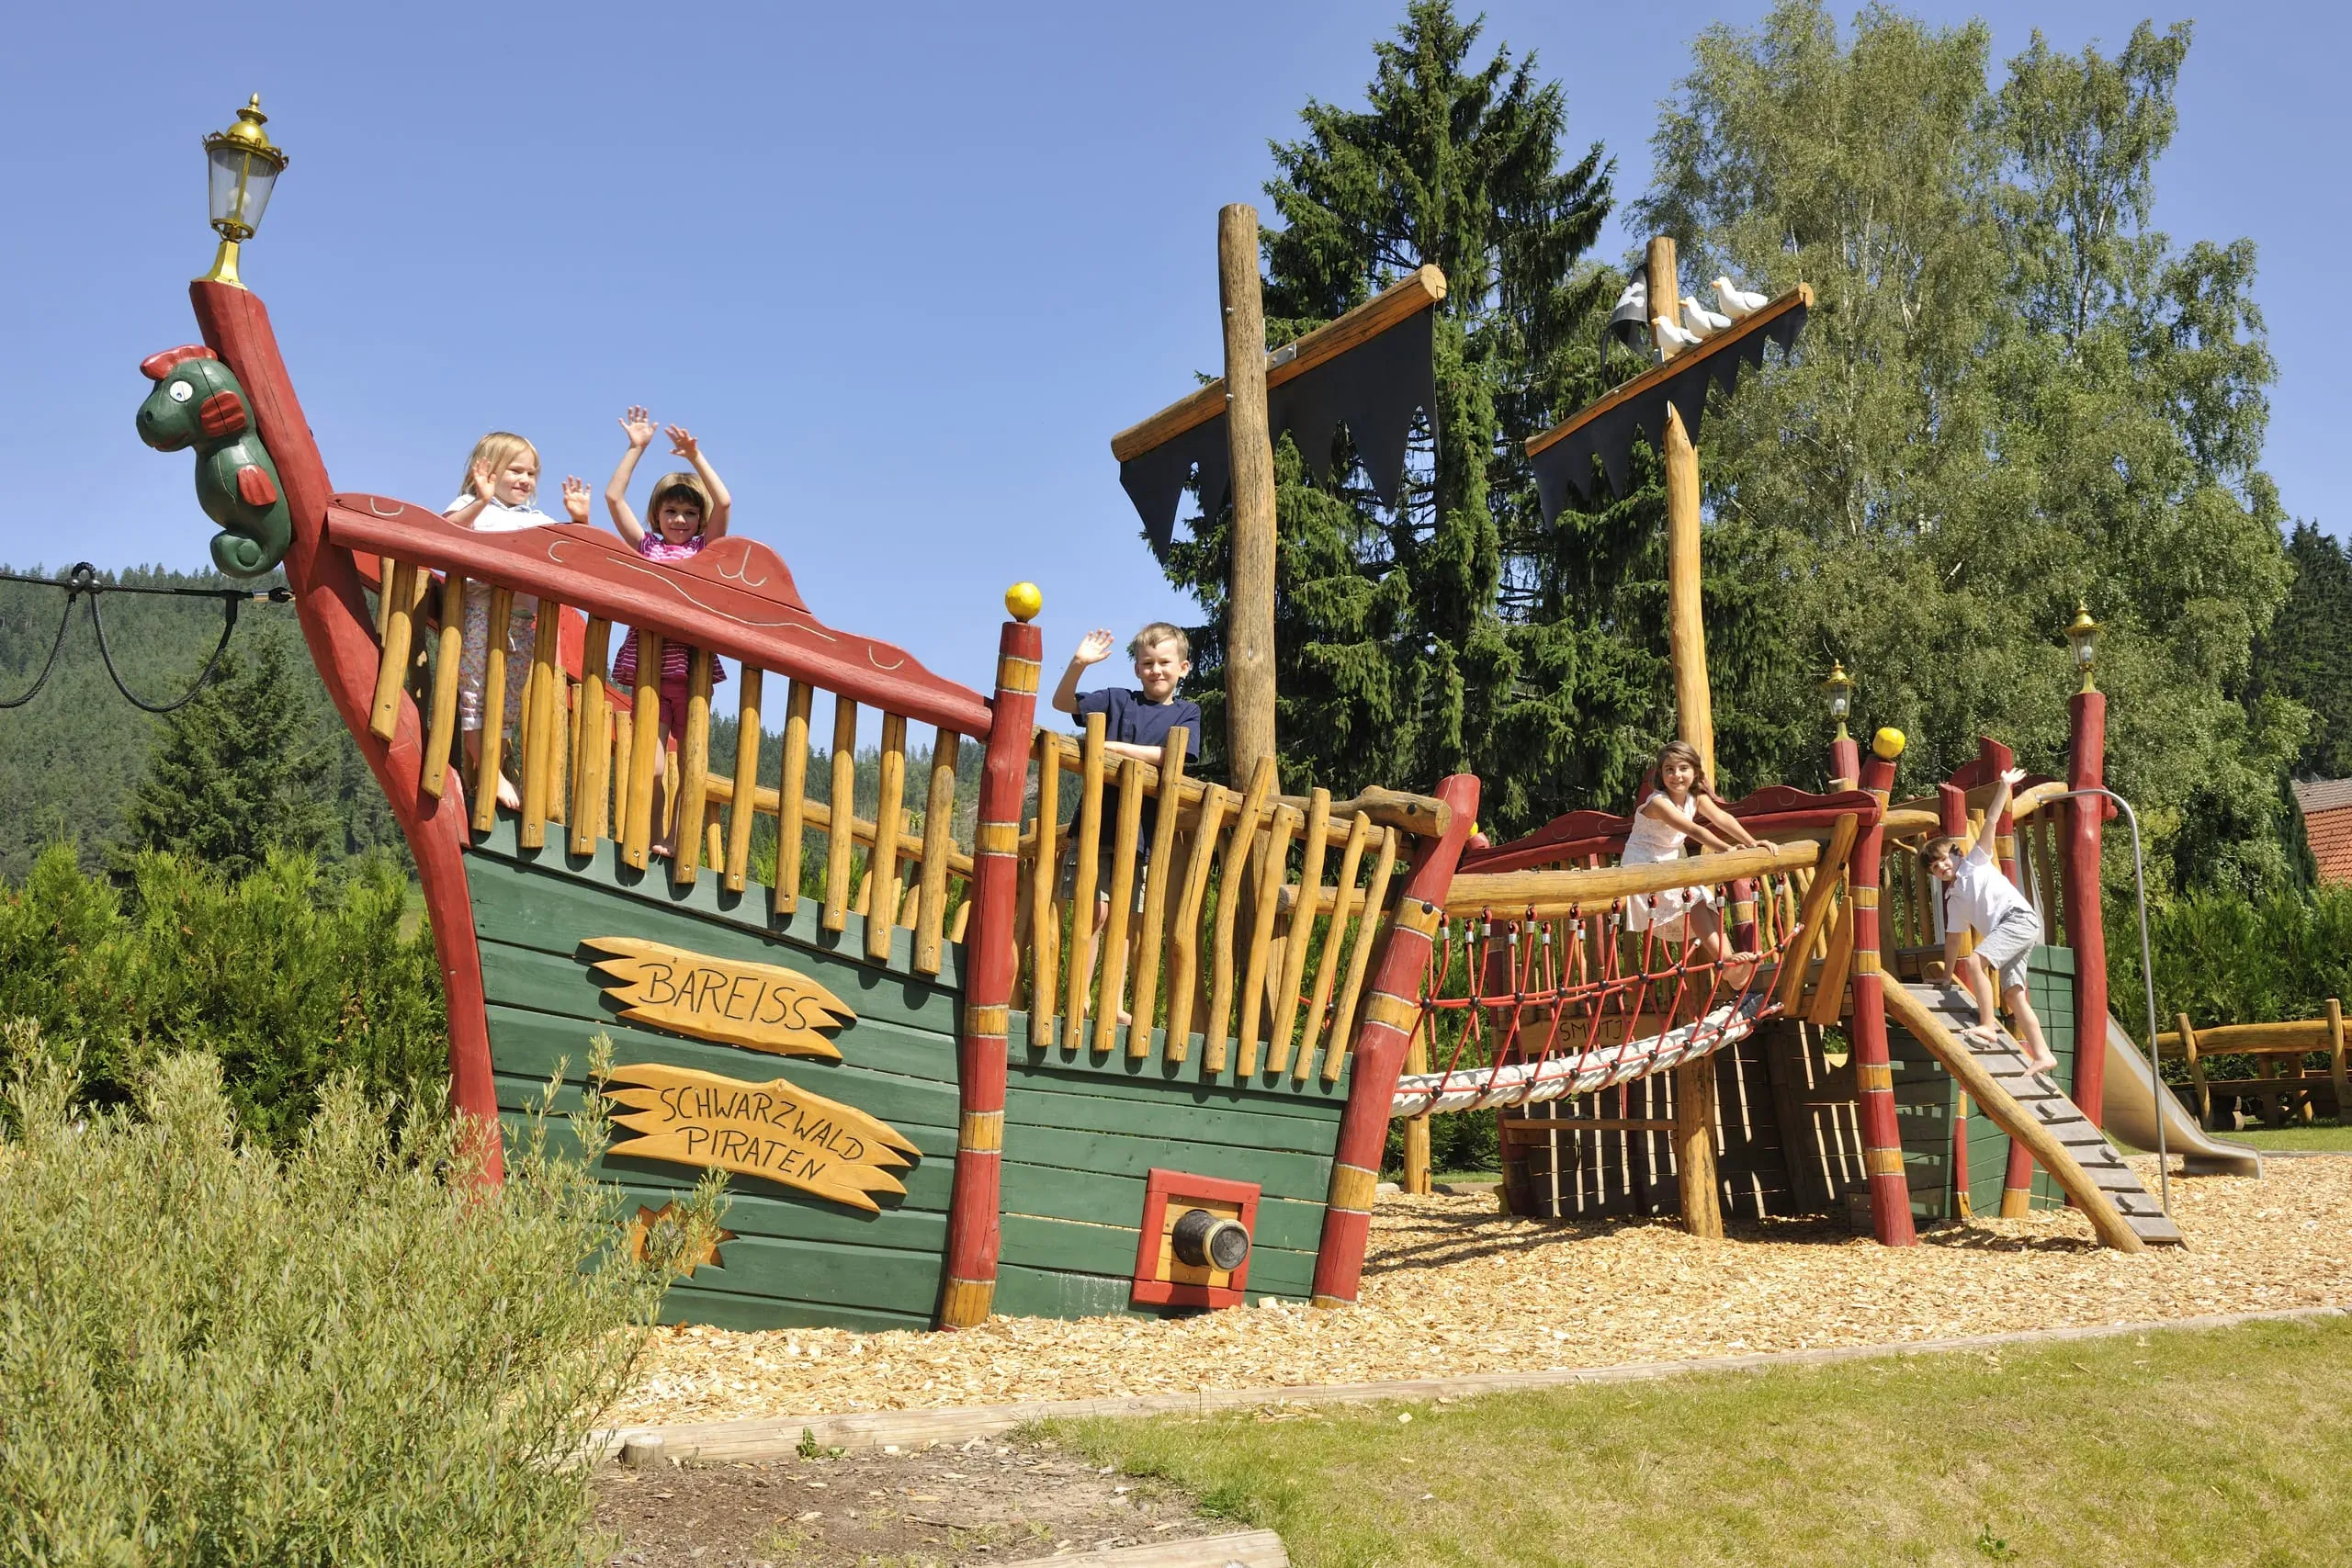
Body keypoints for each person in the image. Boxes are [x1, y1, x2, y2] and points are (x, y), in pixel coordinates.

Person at [1048, 622, 1201, 1024]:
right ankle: (1078, 997)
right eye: (1147, 663)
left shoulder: (1187, 711)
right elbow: (1062, 703)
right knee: (1093, 913)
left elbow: (1175, 756)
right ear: (1136, 668)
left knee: (1126, 920)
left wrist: (1111, 747)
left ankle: (1112, 1003)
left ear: (1183, 668)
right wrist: (1078, 664)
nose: (1156, 670)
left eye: (1164, 662)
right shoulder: (1116, 701)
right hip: (1096, 826)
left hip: (1143, 835)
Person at [605, 407, 732, 860]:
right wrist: (635, 449)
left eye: (689, 513)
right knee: (654, 765)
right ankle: (654, 830)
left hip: (694, 670)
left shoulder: (705, 551)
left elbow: (726, 503)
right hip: (651, 666)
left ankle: (678, 838)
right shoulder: (647, 547)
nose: (680, 519)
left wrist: (697, 459)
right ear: (657, 515)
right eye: (671, 510)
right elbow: (614, 499)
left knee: (692, 762)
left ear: (699, 520)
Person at [443, 432, 591, 811]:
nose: (525, 479)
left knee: (508, 701)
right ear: (487, 470)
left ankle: (495, 763)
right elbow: (446, 533)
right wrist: (482, 499)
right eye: (515, 469)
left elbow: (572, 553)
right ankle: (490, 771)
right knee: (476, 693)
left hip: (522, 621)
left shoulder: (537, 519)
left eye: (532, 472)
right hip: (482, 613)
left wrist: (579, 521)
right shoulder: (473, 505)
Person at [1922, 767, 2055, 1072]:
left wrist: (2004, 786)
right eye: (1935, 868)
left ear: (1956, 855)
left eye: (1944, 859)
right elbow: (1954, 938)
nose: (1942, 867)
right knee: (2013, 993)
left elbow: (1992, 820)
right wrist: (1945, 976)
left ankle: (1988, 1024)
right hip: (2011, 931)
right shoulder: (1954, 900)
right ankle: (2043, 1053)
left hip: (2018, 920)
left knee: (1975, 963)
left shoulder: (1975, 863)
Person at [1620, 739, 1762, 983]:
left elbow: (1722, 818)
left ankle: (1729, 965)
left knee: (1707, 903)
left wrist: (1752, 843)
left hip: (1670, 864)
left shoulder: (1694, 797)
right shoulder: (1658, 802)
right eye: (1669, 769)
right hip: (1644, 866)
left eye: (1683, 768)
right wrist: (1728, 849)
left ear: (1695, 771)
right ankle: (1726, 962)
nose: (1676, 775)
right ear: (1661, 774)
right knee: (1693, 900)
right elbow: (1695, 831)